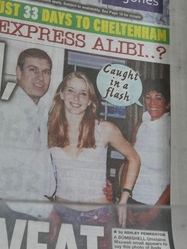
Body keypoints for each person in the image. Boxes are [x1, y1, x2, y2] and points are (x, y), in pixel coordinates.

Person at [48, 72, 140, 229]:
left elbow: (134, 158)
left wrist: (124, 198)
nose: (76, 98)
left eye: (83, 93)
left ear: (90, 100)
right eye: (71, 90)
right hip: (61, 215)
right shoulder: (48, 130)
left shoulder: (104, 129)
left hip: (98, 217)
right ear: (61, 94)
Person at [0, 48, 56, 218]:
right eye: (32, 70)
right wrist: (47, 211)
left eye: (45, 72)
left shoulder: (38, 112)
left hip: (29, 212)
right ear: (18, 73)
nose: (40, 78)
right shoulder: (9, 112)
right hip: (11, 213)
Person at [126, 78, 171, 229]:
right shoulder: (139, 126)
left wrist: (152, 214)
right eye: (148, 97)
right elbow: (128, 163)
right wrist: (124, 200)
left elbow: (176, 180)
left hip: (157, 207)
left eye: (158, 98)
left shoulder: (172, 130)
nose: (152, 103)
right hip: (132, 202)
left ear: (167, 104)